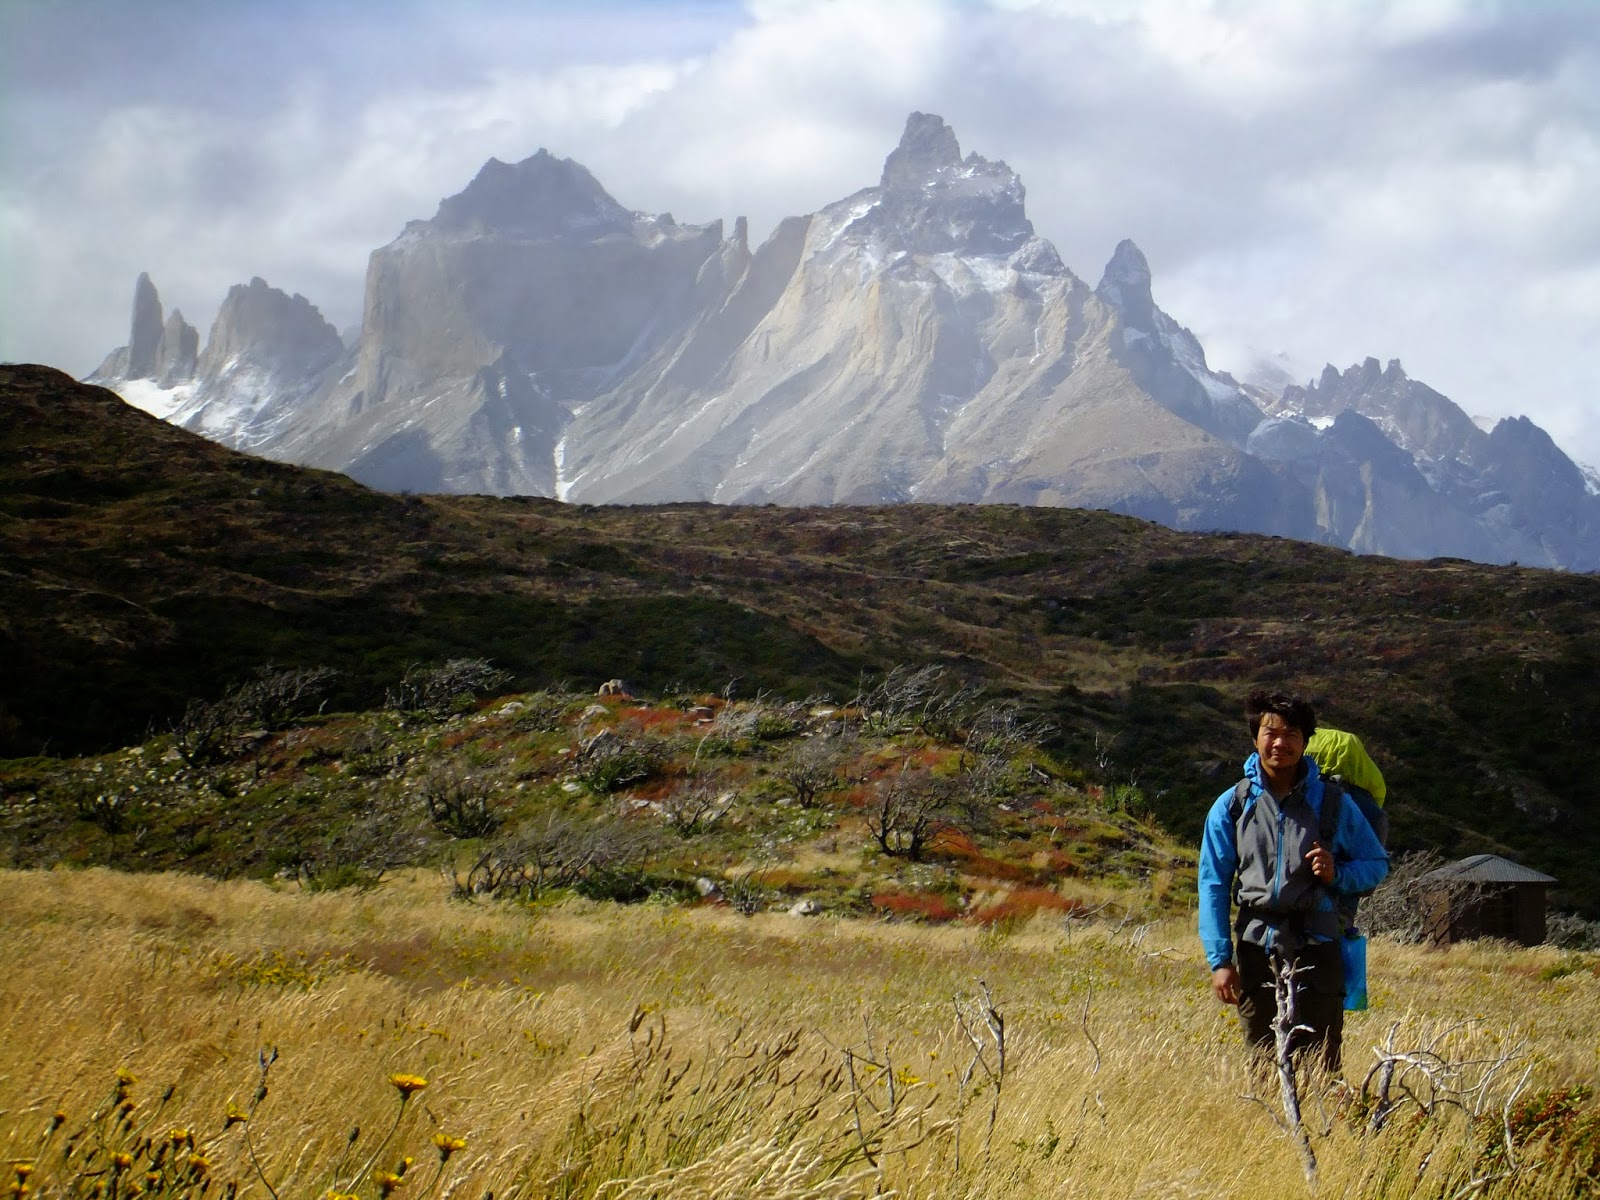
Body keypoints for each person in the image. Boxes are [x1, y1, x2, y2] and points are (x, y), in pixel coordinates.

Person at [1198, 691, 1389, 1072]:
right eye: (1271, 733)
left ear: (1305, 741)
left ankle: (1322, 1132)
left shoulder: (1335, 803)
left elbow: (1376, 864)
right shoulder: (1232, 805)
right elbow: (1213, 883)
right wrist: (1220, 960)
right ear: (1255, 738)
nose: (1280, 743)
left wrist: (1339, 874)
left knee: (1321, 1064)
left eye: (1291, 734)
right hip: (1256, 950)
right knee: (1264, 1061)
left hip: (1320, 947)